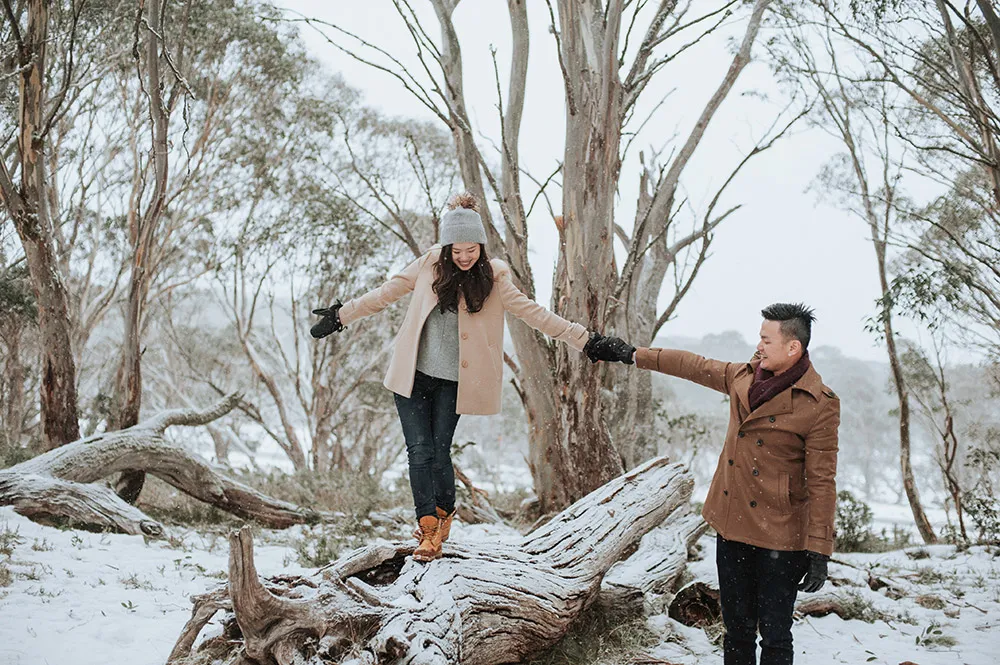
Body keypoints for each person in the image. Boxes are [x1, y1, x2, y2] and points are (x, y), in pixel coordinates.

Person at [311, 194, 594, 563]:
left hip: (452, 383)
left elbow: (536, 315)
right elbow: (386, 293)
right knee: (419, 452)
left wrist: (586, 339)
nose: (464, 257)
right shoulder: (429, 265)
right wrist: (340, 316)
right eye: (456, 250)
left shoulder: (495, 279)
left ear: (480, 246)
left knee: (439, 454)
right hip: (412, 376)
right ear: (446, 248)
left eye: (471, 249)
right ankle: (427, 531)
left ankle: (444, 516)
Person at [586, 303, 839, 665]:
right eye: (760, 338)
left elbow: (822, 479)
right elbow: (692, 365)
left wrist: (820, 549)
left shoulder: (820, 404)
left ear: (793, 348)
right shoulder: (744, 377)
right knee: (736, 631)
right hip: (732, 526)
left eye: (767, 339)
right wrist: (630, 354)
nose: (759, 345)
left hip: (782, 539)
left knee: (776, 635)